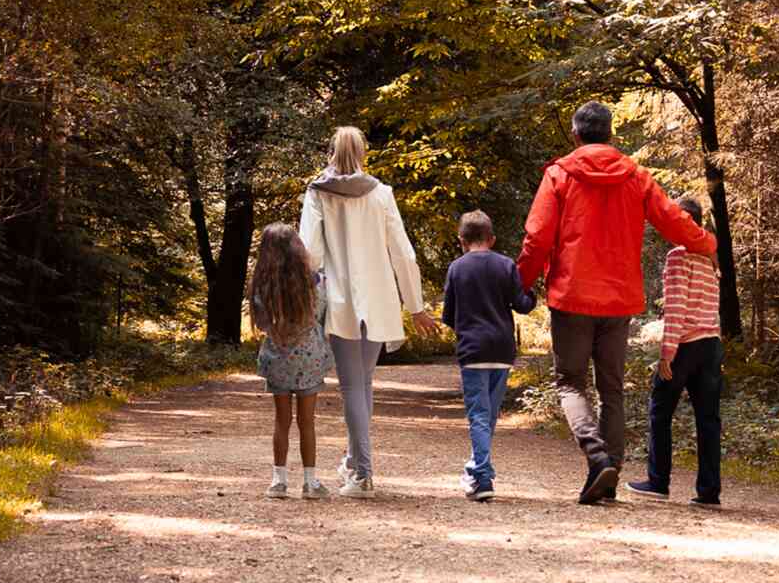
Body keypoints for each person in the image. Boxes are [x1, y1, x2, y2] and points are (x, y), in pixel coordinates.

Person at [517, 101, 718, 504]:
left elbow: (538, 237)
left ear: (576, 134)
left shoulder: (560, 174)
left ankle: (596, 457)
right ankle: (610, 471)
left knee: (570, 382)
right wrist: (707, 243)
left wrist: (520, 283)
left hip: (572, 295)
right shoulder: (636, 177)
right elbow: (674, 221)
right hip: (619, 300)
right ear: (611, 135)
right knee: (612, 389)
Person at [299, 125, 440, 498]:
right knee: (363, 383)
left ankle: (362, 473)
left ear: (331, 152)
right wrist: (416, 306)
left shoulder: (318, 194)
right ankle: (353, 462)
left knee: (352, 387)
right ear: (363, 154)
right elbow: (403, 253)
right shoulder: (381, 194)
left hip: (342, 304)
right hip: (378, 302)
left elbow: (309, 252)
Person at [626, 197, 723, 508]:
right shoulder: (710, 257)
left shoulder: (678, 256)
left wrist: (667, 353)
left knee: (660, 409)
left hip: (686, 345)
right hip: (711, 344)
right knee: (708, 418)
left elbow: (677, 307)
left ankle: (658, 481)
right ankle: (709, 493)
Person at [441, 209, 537, 502]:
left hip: (473, 349)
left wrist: (465, 328)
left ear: (462, 240)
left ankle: (482, 477)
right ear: (491, 239)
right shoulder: (506, 265)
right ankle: (475, 469)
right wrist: (531, 292)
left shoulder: (457, 268)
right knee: (489, 415)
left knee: (479, 415)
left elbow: (449, 315)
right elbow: (522, 305)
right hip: (502, 348)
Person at [246, 223, 336, 500]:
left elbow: (261, 324)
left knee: (281, 421)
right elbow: (321, 313)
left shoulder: (261, 285)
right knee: (307, 422)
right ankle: (310, 482)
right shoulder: (313, 281)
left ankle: (278, 481)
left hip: (277, 357)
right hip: (309, 357)